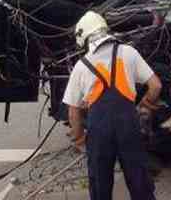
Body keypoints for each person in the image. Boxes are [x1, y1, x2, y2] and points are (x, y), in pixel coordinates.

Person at [63, 11, 162, 200]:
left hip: (99, 133)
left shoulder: (81, 66)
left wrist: (78, 138)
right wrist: (145, 105)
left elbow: (73, 111)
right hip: (129, 127)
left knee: (100, 186)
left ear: (85, 39)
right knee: (139, 181)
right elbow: (156, 85)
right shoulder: (129, 52)